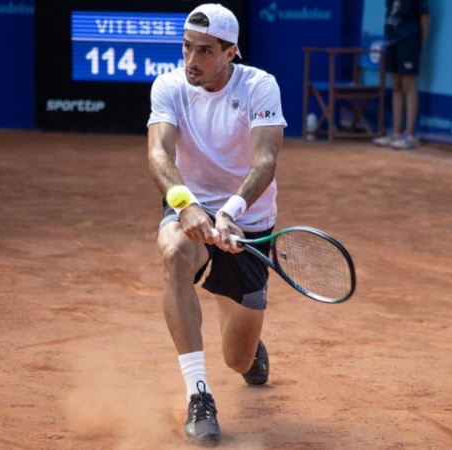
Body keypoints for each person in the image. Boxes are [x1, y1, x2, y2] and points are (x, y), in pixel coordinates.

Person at [146, 3, 287, 446]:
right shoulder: (169, 86)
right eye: (187, 47)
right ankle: (198, 396)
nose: (192, 60)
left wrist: (229, 214)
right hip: (191, 206)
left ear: (231, 52)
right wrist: (185, 205)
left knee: (237, 359)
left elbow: (265, 160)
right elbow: (159, 155)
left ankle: (250, 356)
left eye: (205, 51)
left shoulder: (260, 86)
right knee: (173, 253)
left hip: (249, 219)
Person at [373, 0, 430, 150]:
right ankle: (396, 133)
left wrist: (419, 44)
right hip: (392, 40)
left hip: (409, 40)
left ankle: (410, 136)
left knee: (408, 85)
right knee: (396, 85)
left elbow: (425, 18)